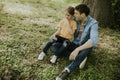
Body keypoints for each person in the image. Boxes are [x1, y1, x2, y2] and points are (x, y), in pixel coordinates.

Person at [55, 4, 98, 80]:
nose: (74, 15)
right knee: (54, 47)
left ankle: (67, 70)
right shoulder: (75, 19)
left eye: (76, 13)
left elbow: (94, 41)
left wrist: (77, 50)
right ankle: (81, 57)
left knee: (88, 48)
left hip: (82, 46)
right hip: (72, 43)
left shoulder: (93, 23)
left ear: (83, 15)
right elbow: (65, 22)